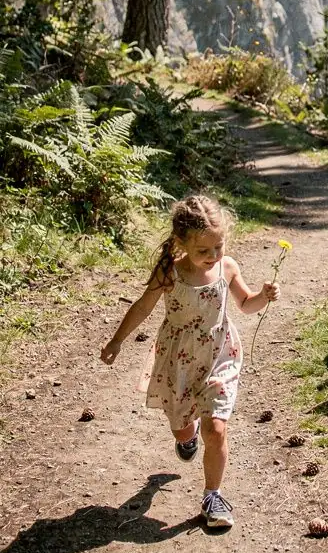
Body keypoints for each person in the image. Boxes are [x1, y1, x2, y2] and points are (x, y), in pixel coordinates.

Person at [100, 194, 281, 531]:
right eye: (203, 250)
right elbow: (143, 307)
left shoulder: (227, 267)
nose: (213, 256)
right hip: (178, 361)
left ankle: (213, 496)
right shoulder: (170, 271)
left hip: (219, 356)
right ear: (182, 243)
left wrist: (263, 296)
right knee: (182, 426)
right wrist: (117, 340)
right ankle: (186, 438)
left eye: (218, 247)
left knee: (216, 428)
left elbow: (246, 304)